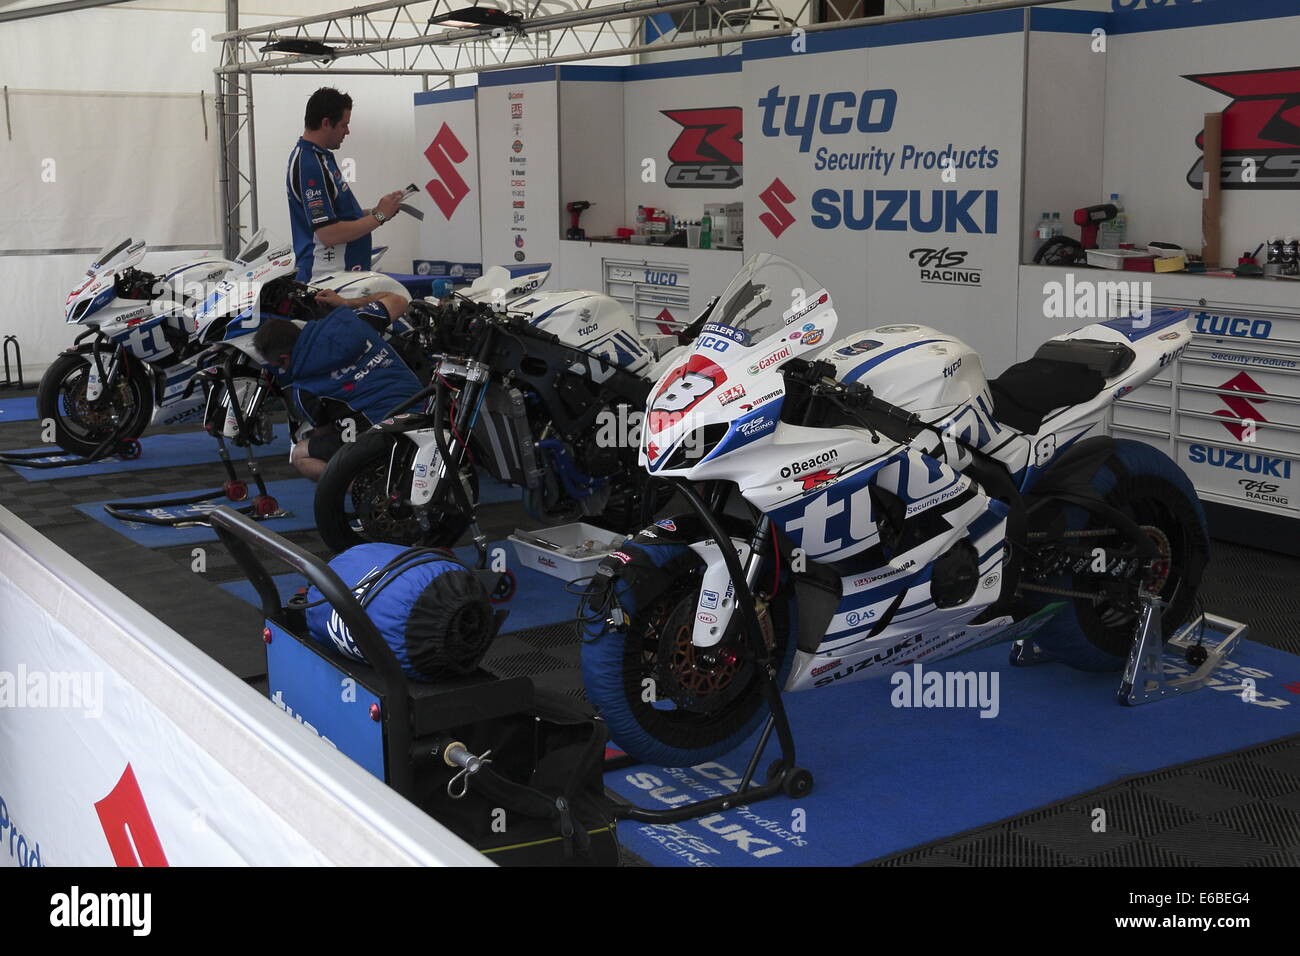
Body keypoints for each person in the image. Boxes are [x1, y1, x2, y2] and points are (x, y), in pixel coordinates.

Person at [252, 294, 423, 481]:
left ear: (284, 358)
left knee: (300, 454)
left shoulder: (303, 390)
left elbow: (325, 432)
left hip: (382, 437)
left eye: (279, 365)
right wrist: (348, 302)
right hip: (425, 411)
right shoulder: (354, 320)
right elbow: (398, 300)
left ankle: (364, 488)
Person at [286, 87, 406, 282]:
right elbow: (328, 234)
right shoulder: (310, 165)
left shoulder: (320, 157)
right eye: (343, 125)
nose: (347, 131)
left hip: (342, 273)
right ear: (326, 123)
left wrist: (376, 210)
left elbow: (335, 214)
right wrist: (379, 216)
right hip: (327, 277)